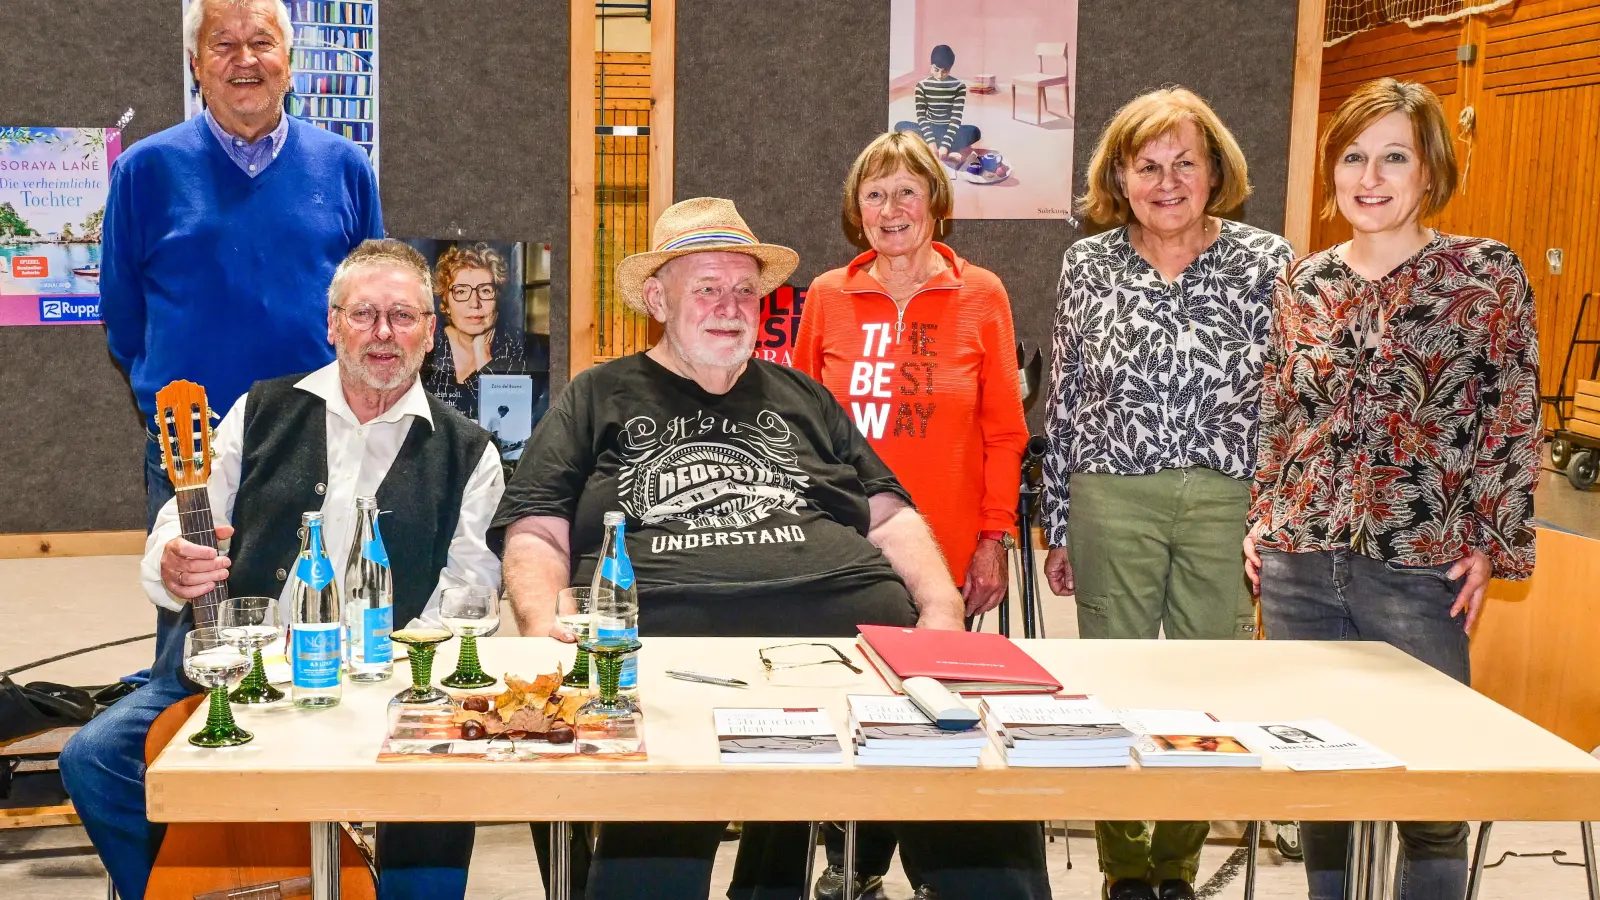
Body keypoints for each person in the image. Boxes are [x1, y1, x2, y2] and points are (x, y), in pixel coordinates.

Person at [492, 197, 1051, 900]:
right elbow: (537, 527)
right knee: (651, 847)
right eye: (707, 289)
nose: (730, 307)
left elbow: (889, 515)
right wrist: (544, 628)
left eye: (744, 290)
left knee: (984, 801)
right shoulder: (597, 394)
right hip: (668, 658)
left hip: (854, 654)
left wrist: (941, 612)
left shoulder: (804, 396)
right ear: (658, 300)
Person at [59, 240, 504, 900]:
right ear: (333, 324)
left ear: (431, 332)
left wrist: (375, 679)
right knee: (95, 759)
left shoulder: (469, 452)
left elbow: (466, 591)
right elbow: (184, 521)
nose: (384, 333)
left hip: (383, 685)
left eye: (404, 316)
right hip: (239, 671)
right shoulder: (260, 410)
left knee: (440, 785)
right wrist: (172, 564)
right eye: (364, 314)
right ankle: (199, 883)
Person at [1244, 78, 1541, 900]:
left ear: (1430, 170)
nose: (1369, 177)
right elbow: (1278, 413)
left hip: (1421, 563)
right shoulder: (1303, 283)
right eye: (1353, 157)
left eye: (1394, 157)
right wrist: (1263, 516)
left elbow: (1513, 414)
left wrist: (1493, 542)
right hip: (1301, 564)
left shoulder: (1484, 274)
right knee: (1322, 782)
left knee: (1431, 792)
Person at [1040, 87, 1293, 900]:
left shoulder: (1268, 261)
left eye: (1185, 162)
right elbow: (1066, 397)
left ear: (1216, 170)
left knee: (1207, 688)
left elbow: (1289, 399)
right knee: (1114, 687)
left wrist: (1277, 514)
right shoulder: (1087, 264)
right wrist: (1056, 523)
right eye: (1147, 165)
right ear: (1120, 176)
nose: (1167, 181)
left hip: (1229, 503)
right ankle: (1123, 865)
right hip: (1111, 496)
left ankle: (1176, 865)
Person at [100, 0, 383, 662]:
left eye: (261, 42)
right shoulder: (144, 170)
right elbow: (123, 314)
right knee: (191, 637)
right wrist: (166, 390)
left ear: (290, 61)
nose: (245, 59)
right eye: (222, 44)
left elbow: (371, 300)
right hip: (190, 443)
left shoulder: (345, 167)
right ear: (195, 64)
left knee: (315, 619)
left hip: (312, 438)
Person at [793, 129, 1029, 899]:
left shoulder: (983, 295)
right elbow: (799, 427)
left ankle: (938, 874)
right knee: (853, 706)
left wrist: (993, 538)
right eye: (875, 194)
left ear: (936, 202)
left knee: (934, 714)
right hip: (846, 550)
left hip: (950, 551)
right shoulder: (827, 296)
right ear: (856, 209)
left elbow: (1004, 431)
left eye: (906, 191)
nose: (890, 208)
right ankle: (851, 863)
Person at [894, 44, 980, 166]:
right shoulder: (922, 86)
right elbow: (922, 117)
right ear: (931, 66)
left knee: (975, 131)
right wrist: (931, 142)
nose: (940, 75)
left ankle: (932, 149)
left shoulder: (959, 86)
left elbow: (956, 118)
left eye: (944, 71)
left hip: (948, 129)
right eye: (936, 69)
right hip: (929, 128)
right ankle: (942, 150)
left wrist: (945, 144)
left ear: (950, 69)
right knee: (900, 126)